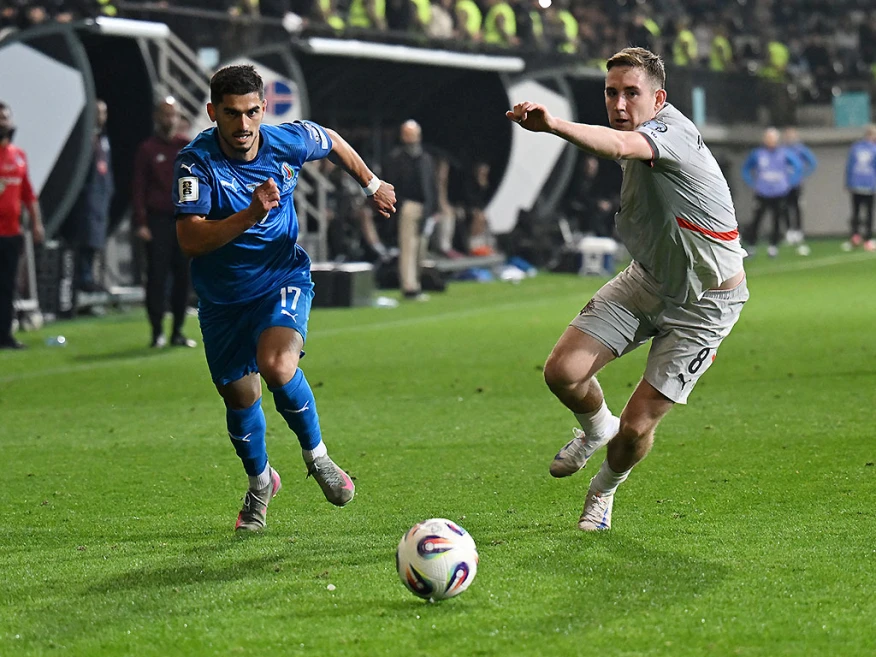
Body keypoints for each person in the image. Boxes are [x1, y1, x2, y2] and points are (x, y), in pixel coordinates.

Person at [506, 47, 748, 531]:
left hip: (705, 305)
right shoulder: (637, 130)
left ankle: (603, 490)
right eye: (611, 92)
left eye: (631, 93)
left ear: (658, 99)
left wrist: (554, 125)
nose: (619, 104)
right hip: (648, 279)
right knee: (562, 373)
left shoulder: (671, 134)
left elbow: (619, 146)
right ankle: (597, 428)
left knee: (636, 429)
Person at [173, 65, 396, 531]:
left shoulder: (285, 141)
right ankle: (261, 483)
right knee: (240, 399)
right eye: (231, 114)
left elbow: (331, 141)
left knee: (277, 366)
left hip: (281, 278)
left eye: (252, 112)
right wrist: (249, 215)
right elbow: (190, 240)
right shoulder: (196, 164)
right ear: (213, 112)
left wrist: (372, 184)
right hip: (222, 299)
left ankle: (318, 458)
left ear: (263, 108)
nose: (243, 124)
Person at [132, 97, 196, 348]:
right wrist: (141, 222)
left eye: (173, 114)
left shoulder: (186, 146)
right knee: (157, 276)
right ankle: (157, 330)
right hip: (157, 220)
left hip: (182, 219)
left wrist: (194, 214)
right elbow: (139, 187)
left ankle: (177, 330)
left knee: (183, 276)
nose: (169, 119)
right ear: (157, 117)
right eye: (165, 114)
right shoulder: (147, 149)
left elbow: (194, 181)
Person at [0, 101, 44, 350]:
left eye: (5, 118)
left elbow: (28, 194)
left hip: (11, 233)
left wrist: (37, 223)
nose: (2, 123)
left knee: (8, 287)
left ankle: (5, 335)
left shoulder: (19, 156)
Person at [382, 120, 436, 300]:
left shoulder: (426, 158)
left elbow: (431, 184)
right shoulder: (396, 159)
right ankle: (409, 287)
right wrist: (400, 204)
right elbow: (392, 183)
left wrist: (433, 207)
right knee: (408, 247)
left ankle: (416, 283)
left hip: (425, 206)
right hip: (408, 206)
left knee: (421, 247)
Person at [65, 98, 114, 292]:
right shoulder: (85, 137)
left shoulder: (104, 139)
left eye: (103, 113)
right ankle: (82, 278)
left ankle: (91, 276)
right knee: (86, 237)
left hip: (102, 195)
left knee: (96, 239)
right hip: (88, 196)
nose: (100, 117)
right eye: (97, 112)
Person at [741, 127, 802, 258]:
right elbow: (746, 169)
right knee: (757, 220)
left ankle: (773, 246)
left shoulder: (784, 153)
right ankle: (751, 245)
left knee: (777, 220)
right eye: (768, 138)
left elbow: (798, 167)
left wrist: (789, 183)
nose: (771, 141)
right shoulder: (758, 154)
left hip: (779, 192)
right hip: (762, 192)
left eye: (773, 139)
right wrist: (752, 183)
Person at [781, 127, 817, 254]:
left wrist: (803, 174)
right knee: (784, 208)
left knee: (797, 207)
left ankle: (798, 232)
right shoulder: (782, 150)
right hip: (783, 185)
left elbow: (812, 162)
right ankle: (789, 232)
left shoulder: (800, 149)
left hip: (796, 184)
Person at [843, 124, 876, 252]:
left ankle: (855, 236)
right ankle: (868, 239)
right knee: (869, 213)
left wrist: (848, 182)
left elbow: (850, 166)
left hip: (855, 184)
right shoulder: (874, 149)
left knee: (855, 211)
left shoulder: (855, 147)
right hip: (869, 184)